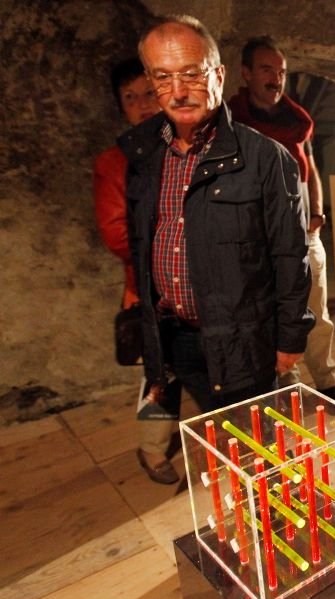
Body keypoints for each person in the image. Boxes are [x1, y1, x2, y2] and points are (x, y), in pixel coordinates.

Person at [120, 16, 315, 434]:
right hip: (176, 338)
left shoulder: (265, 158)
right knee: (213, 434)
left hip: (243, 340)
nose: (178, 91)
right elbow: (140, 243)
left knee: (259, 444)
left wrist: (290, 338)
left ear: (219, 75)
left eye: (192, 73)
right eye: (163, 77)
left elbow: (289, 256)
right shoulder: (142, 155)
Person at [228, 36, 335, 408]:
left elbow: (309, 166)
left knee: (317, 309)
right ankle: (287, 383)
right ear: (246, 73)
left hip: (303, 229)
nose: (276, 79)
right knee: (274, 312)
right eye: (267, 70)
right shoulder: (232, 121)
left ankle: (327, 380)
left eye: (281, 72)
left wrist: (317, 212)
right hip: (261, 233)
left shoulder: (297, 120)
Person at [93, 58, 181, 484]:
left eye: (150, 93)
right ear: (121, 107)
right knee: (159, 374)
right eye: (131, 97)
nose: (143, 104)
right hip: (149, 289)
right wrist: (178, 249)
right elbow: (116, 235)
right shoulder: (115, 163)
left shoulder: (188, 148)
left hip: (198, 288)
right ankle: (152, 447)